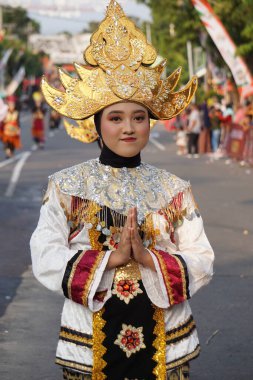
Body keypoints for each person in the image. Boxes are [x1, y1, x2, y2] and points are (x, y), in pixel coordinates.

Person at [30, 2, 214, 379]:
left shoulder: (173, 189)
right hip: (88, 338)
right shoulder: (66, 186)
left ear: (150, 123)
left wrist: (148, 259)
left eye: (138, 117)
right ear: (97, 126)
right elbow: (45, 254)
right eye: (115, 118)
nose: (128, 128)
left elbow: (201, 256)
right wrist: (111, 261)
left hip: (166, 336)